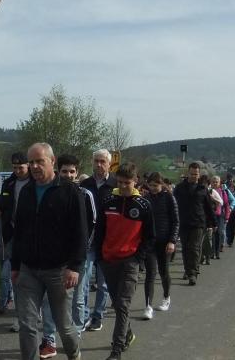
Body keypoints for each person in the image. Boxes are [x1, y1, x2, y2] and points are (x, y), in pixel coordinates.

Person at [11, 143, 86, 360]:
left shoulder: (70, 192)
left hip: (59, 271)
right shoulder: (26, 191)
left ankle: (74, 353)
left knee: (64, 325)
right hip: (28, 269)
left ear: (52, 162)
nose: (34, 166)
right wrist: (15, 265)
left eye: (39, 161)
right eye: (31, 162)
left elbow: (80, 233)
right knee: (27, 325)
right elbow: (20, 232)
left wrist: (75, 267)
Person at [98, 163, 151, 360]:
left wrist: (138, 257)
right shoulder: (108, 201)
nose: (123, 186)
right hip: (108, 260)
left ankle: (116, 350)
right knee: (117, 305)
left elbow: (149, 236)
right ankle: (127, 334)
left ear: (135, 181)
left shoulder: (143, 205)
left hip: (130, 261)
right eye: (119, 182)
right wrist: (99, 256)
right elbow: (100, 232)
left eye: (127, 183)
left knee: (123, 304)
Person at [58, 154, 96, 337]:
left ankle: (78, 330)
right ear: (58, 172)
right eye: (64, 171)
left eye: (72, 171)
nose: (68, 175)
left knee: (79, 296)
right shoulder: (54, 191)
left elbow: (93, 223)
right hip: (59, 254)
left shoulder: (85, 194)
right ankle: (62, 328)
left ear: (77, 172)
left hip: (81, 253)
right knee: (61, 296)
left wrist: (85, 249)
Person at [78, 149, 115, 332]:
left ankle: (98, 315)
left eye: (102, 161)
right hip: (89, 240)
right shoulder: (85, 184)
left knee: (103, 283)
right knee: (84, 281)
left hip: (108, 241)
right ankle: (84, 315)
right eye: (96, 161)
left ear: (109, 163)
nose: (99, 164)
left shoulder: (115, 185)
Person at [0, 153, 30, 322]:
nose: (17, 171)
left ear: (28, 165)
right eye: (14, 168)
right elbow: (2, 200)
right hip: (11, 233)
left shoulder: (35, 181)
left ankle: (30, 311)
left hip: (30, 234)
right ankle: (18, 312)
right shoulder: (9, 182)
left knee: (29, 275)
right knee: (11, 273)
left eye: (20, 167)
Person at [141, 174, 177, 318]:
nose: (153, 188)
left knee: (164, 271)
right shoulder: (145, 199)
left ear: (161, 185)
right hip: (150, 243)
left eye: (156, 185)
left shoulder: (169, 198)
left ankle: (166, 297)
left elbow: (176, 221)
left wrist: (172, 241)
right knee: (150, 274)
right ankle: (148, 306)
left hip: (165, 242)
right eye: (150, 185)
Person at [174, 163, 214, 286]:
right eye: (192, 174)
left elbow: (208, 207)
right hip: (183, 222)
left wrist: (212, 222)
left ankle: (193, 273)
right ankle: (187, 270)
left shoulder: (203, 189)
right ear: (188, 173)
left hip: (198, 223)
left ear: (199, 174)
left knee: (195, 248)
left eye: (196, 174)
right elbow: (173, 205)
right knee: (185, 248)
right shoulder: (179, 188)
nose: (194, 176)